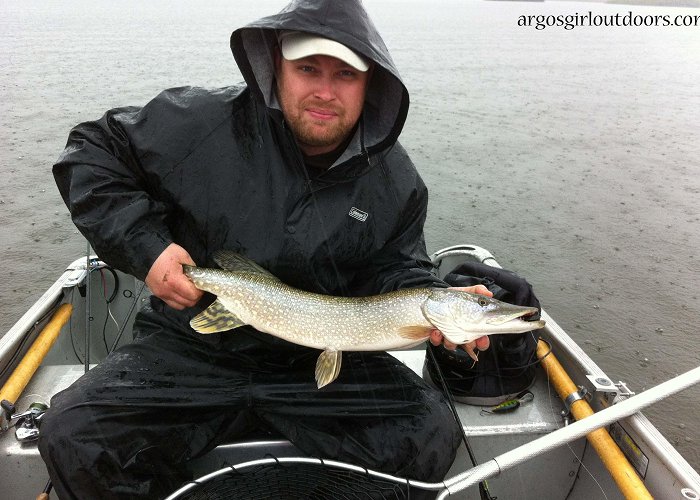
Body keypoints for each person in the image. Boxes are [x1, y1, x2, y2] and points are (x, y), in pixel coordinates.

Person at [39, 1, 491, 498]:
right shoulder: (202, 123)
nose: (324, 90)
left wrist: (438, 302)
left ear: (371, 86)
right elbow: (92, 151)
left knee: (427, 434)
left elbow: (397, 271)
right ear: (277, 68)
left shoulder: (397, 184)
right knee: (74, 436)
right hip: (195, 343)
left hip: (315, 362)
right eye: (307, 69)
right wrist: (147, 249)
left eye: (345, 74)